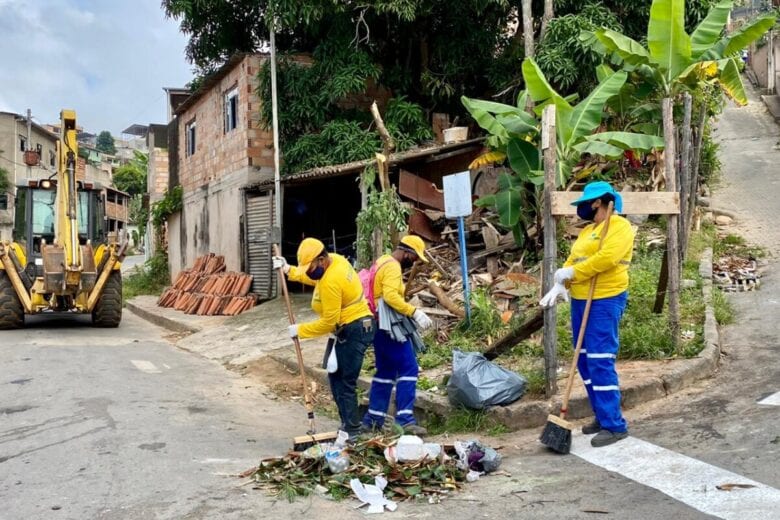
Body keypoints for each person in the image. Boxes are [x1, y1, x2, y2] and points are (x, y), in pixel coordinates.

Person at [540, 181, 635, 448]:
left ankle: (615, 425)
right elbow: (574, 261)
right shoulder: (588, 232)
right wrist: (562, 281)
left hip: (605, 299)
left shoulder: (619, 227)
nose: (584, 208)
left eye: (589, 202)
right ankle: (602, 416)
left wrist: (574, 273)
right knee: (583, 361)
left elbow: (607, 258)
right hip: (581, 301)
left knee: (599, 359)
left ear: (600, 202)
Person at [273, 238, 375, 440]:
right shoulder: (333, 260)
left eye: (310, 267)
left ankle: (352, 432)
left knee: (345, 381)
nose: (309, 271)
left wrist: (300, 330)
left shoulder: (331, 280)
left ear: (321, 260)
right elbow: (312, 277)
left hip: (354, 329)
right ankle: (347, 425)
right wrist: (289, 270)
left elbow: (329, 321)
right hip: (348, 328)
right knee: (335, 377)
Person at [361, 235, 434, 436]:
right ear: (407, 252)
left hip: (377, 325)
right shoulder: (393, 266)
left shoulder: (382, 261)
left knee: (385, 372)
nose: (414, 261)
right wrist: (414, 312)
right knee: (409, 368)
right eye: (414, 256)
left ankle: (373, 420)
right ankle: (405, 420)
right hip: (389, 325)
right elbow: (390, 296)